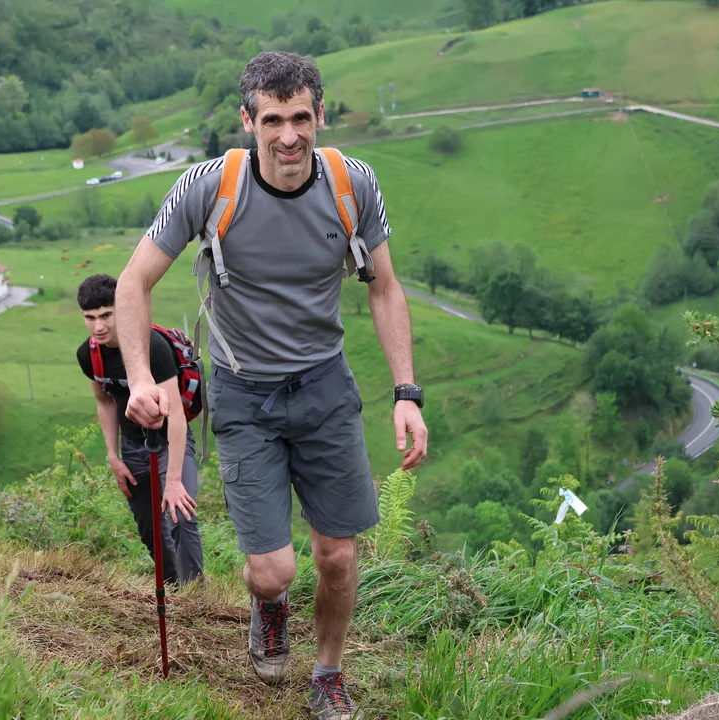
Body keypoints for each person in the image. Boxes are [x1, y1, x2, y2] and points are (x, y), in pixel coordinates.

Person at [115, 51, 427, 720]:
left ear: (321, 115)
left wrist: (407, 393)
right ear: (247, 120)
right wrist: (139, 377)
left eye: (301, 118)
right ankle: (271, 605)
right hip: (244, 394)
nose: (289, 136)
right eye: (273, 121)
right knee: (273, 570)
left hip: (325, 387)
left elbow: (385, 289)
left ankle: (328, 673)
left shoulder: (352, 183)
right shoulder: (209, 187)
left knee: (337, 556)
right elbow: (133, 282)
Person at [74, 273, 204, 587]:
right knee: (150, 529)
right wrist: (113, 456)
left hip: (170, 442)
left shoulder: (152, 347)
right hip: (132, 447)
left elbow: (175, 414)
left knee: (180, 516)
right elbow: (105, 402)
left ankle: (195, 596)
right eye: (90, 318)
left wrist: (174, 480)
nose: (98, 326)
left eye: (106, 315)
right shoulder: (89, 355)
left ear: (121, 309)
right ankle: (172, 590)